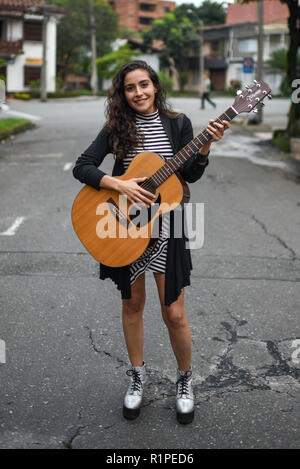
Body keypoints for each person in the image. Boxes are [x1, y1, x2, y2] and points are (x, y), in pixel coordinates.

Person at [73, 60, 229, 425]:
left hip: (167, 222)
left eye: (144, 84)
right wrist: (120, 184)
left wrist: (204, 149)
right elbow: (83, 166)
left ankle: (185, 380)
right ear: (122, 94)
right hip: (124, 223)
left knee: (173, 312)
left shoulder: (178, 124)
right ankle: (137, 377)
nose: (139, 92)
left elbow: (188, 174)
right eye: (130, 88)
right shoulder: (116, 127)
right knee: (133, 305)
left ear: (155, 86)